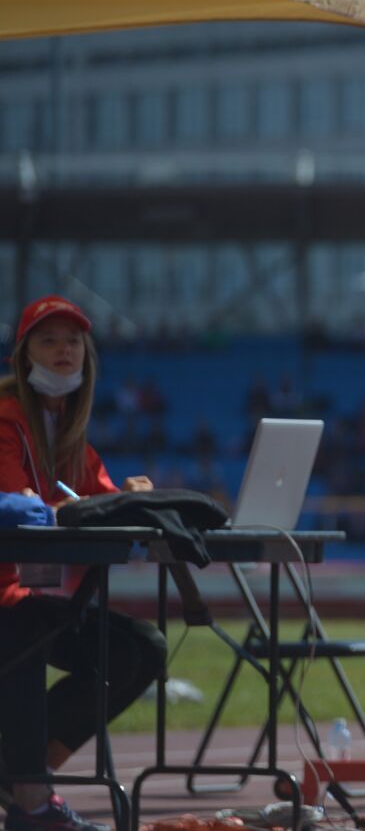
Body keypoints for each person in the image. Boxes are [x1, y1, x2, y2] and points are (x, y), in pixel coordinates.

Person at [0, 296, 165, 831]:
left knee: (141, 648)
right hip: (8, 598)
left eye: (72, 340)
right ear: (23, 357)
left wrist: (136, 494)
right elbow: (14, 506)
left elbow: (103, 500)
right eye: (49, 340)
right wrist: (64, 510)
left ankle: (26, 776)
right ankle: (30, 802)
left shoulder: (70, 432)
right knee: (26, 628)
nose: (64, 349)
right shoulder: (4, 419)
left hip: (37, 599)